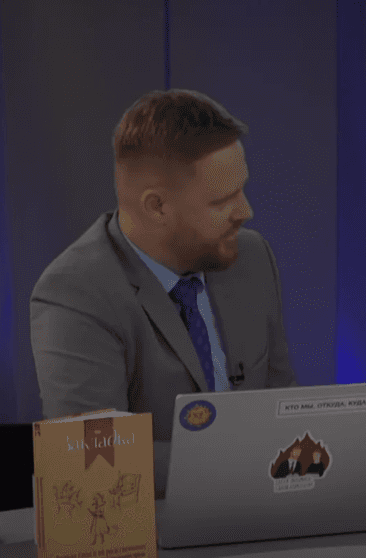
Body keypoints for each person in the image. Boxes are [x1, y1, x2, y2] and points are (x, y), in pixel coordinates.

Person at [31, 89, 298, 498]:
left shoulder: (252, 257)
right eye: (223, 200)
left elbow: (282, 405)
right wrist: (243, 464)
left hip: (264, 512)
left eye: (242, 189)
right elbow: (90, 459)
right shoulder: (76, 293)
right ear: (157, 207)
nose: (246, 212)